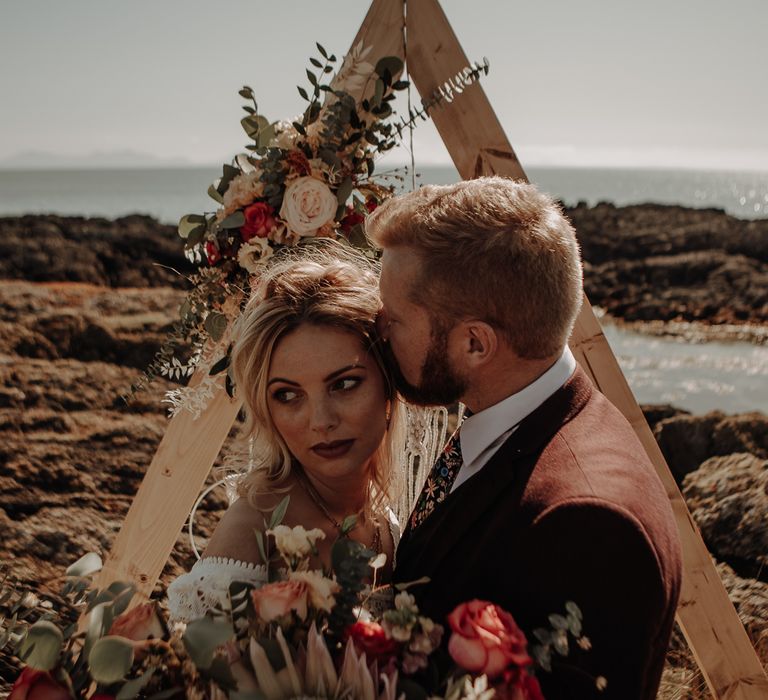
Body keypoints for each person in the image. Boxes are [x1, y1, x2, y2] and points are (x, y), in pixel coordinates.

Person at [366, 176, 683, 700]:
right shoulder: (512, 414)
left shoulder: (589, 525)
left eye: (395, 317)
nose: (378, 329)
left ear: (474, 343)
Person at [167, 242, 406, 622]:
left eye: (344, 384)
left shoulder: (387, 520)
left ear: (388, 384)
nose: (321, 421)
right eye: (288, 395)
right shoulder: (253, 531)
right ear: (266, 409)